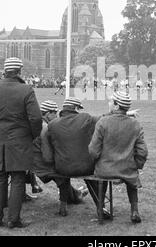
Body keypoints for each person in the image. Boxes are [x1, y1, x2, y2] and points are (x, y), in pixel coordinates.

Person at [44, 97, 138, 217]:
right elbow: (104, 117)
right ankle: (100, 207)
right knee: (93, 175)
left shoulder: (52, 125)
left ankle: (63, 207)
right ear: (76, 108)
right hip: (85, 167)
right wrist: (126, 114)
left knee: (64, 176)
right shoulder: (86, 118)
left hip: (62, 167)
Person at [0, 57, 42, 229]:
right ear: (19, 72)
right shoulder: (26, 89)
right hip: (20, 141)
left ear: (5, 71)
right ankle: (13, 220)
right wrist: (33, 135)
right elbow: (36, 118)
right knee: (17, 178)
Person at [89, 91, 148, 223]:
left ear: (116, 106)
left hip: (105, 168)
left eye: (110, 102)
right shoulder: (135, 124)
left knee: (101, 180)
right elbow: (142, 151)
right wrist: (137, 165)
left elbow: (93, 149)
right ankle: (134, 210)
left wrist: (97, 160)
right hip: (127, 169)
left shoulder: (102, 122)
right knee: (132, 182)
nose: (108, 104)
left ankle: (100, 209)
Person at [32, 100, 88, 205]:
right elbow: (47, 157)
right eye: (55, 113)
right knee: (63, 170)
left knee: (62, 172)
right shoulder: (46, 128)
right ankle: (74, 197)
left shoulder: (36, 124)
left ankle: (77, 194)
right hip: (42, 165)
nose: (57, 116)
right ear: (48, 114)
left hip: (33, 162)